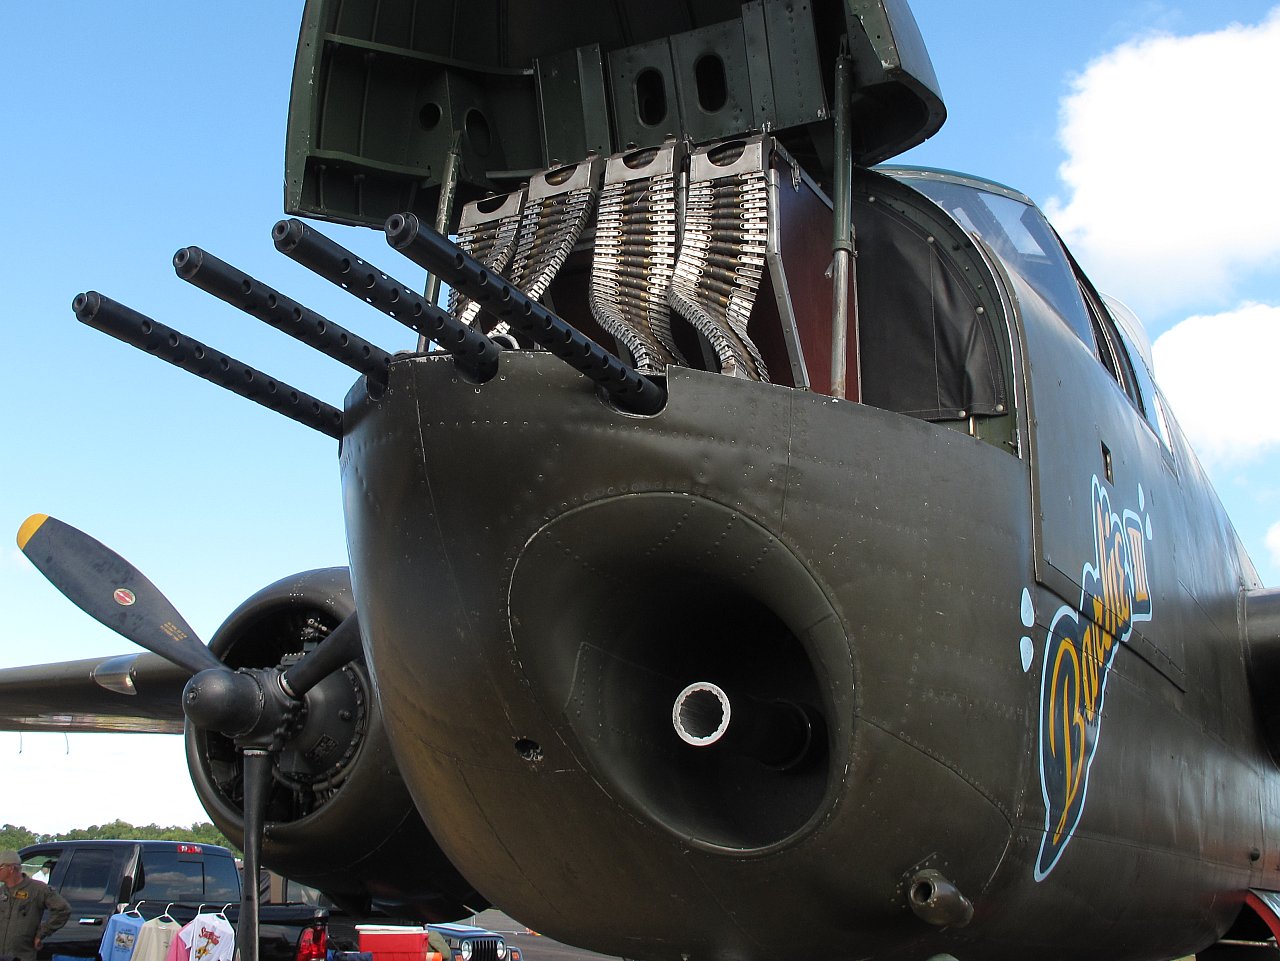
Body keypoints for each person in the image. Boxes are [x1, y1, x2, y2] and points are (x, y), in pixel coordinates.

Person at [0, 850, 71, 961]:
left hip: (22, 956)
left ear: (11, 869)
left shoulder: (38, 890)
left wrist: (42, 933)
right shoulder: (1, 892)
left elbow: (63, 909)